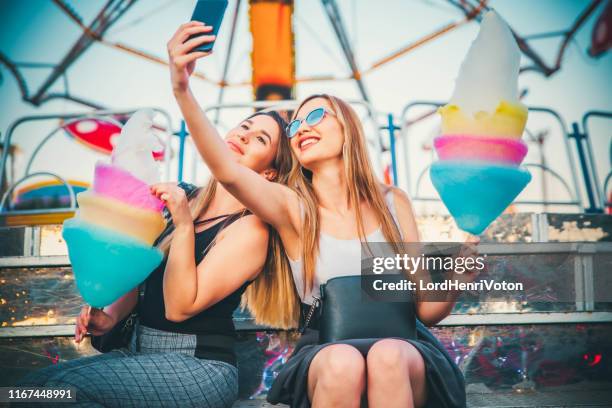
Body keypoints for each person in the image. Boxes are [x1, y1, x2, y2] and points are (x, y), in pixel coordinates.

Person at [170, 22, 479, 408]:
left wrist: (454, 278)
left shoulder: (394, 201)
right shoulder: (293, 208)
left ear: (347, 129)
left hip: (404, 348)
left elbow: (426, 311)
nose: (301, 128)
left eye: (315, 116)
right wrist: (182, 89)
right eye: (295, 125)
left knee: (388, 354)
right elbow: (228, 171)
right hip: (328, 348)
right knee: (343, 361)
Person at [15, 27, 297, 405]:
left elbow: (180, 307)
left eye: (260, 139)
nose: (244, 135)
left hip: (198, 368)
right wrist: (110, 316)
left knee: (48, 392)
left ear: (269, 175)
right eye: (244, 126)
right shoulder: (183, 195)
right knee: (31, 386)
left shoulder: (251, 228)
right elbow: (139, 267)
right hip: (138, 353)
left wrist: (183, 225)